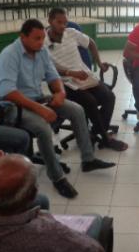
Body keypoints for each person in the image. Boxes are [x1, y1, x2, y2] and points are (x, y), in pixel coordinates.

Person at [0, 19, 115, 199]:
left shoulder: (41, 50)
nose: (41, 42)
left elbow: (53, 76)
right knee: (43, 127)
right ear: (23, 37)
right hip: (16, 106)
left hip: (39, 98)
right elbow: (8, 93)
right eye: (36, 39)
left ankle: (88, 160)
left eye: (42, 38)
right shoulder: (9, 55)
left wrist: (59, 92)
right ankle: (57, 177)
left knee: (76, 110)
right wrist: (41, 110)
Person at [46, 8, 127, 151]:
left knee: (109, 96)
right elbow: (47, 68)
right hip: (63, 82)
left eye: (65, 22)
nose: (63, 26)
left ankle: (93, 133)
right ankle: (105, 139)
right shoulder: (43, 41)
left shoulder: (71, 33)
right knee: (90, 101)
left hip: (84, 76)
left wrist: (99, 63)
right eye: (59, 22)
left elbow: (91, 43)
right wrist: (71, 73)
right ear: (50, 21)